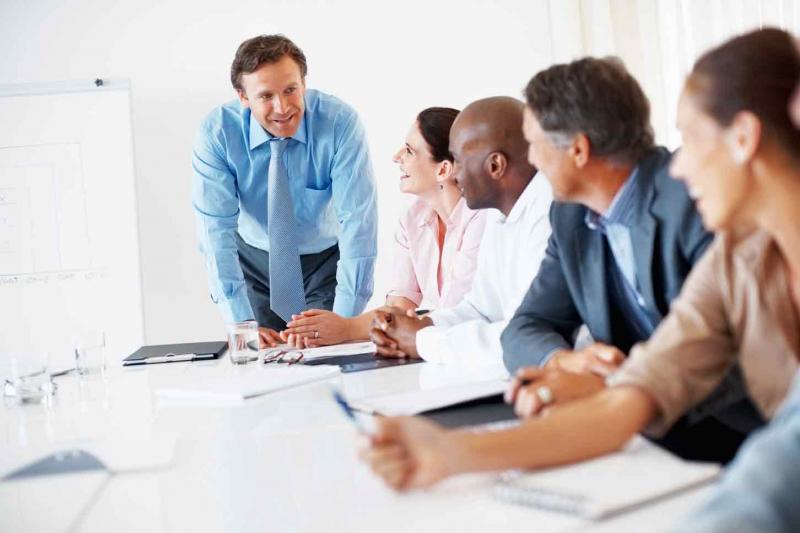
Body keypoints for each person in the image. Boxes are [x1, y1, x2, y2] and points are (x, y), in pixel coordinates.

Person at [358, 28, 800, 495]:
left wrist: (605, 384)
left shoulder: (697, 216)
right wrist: (450, 453)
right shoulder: (735, 261)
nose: (681, 163)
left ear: (744, 138)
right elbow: (635, 390)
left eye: (691, 139)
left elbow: (726, 393)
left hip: (731, 444)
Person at [192, 34, 377, 347]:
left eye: (291, 89)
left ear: (304, 83)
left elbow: (358, 222)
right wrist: (239, 323)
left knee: (324, 355)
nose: (283, 107)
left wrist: (344, 324)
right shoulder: (217, 134)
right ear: (243, 96)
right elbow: (215, 231)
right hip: (254, 262)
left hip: (323, 263)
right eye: (266, 96)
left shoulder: (339, 123)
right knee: (261, 359)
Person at [367, 97, 552, 370]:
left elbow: (524, 338)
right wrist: (419, 326)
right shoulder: (499, 214)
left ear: (495, 165)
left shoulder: (546, 213)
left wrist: (421, 340)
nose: (453, 173)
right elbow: (479, 308)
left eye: (460, 161)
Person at [280, 108, 486, 348]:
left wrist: (347, 329)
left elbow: (455, 313)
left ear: (443, 170)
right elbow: (400, 306)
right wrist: (335, 327)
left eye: (409, 151)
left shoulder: (482, 219)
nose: (397, 157)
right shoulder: (412, 216)